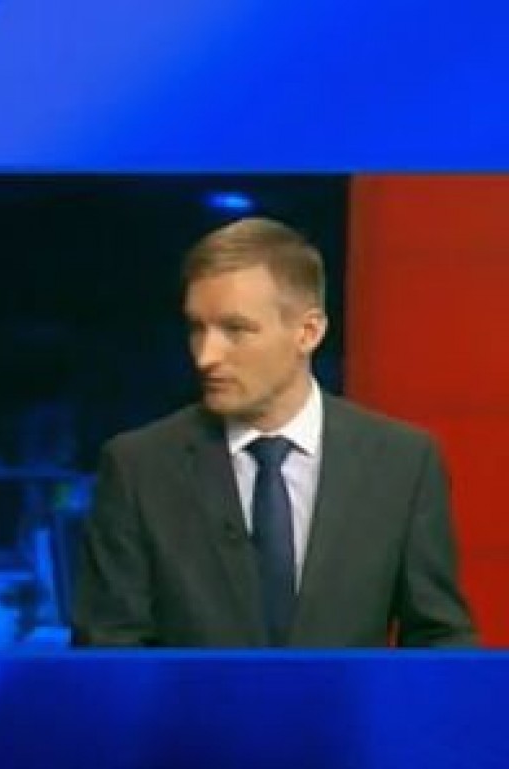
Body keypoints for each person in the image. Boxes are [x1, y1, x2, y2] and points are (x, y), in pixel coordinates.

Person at [72, 216, 475, 647]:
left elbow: (440, 640)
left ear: (308, 332)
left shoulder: (403, 464)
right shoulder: (140, 468)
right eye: (197, 328)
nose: (206, 356)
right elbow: (108, 652)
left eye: (235, 330)